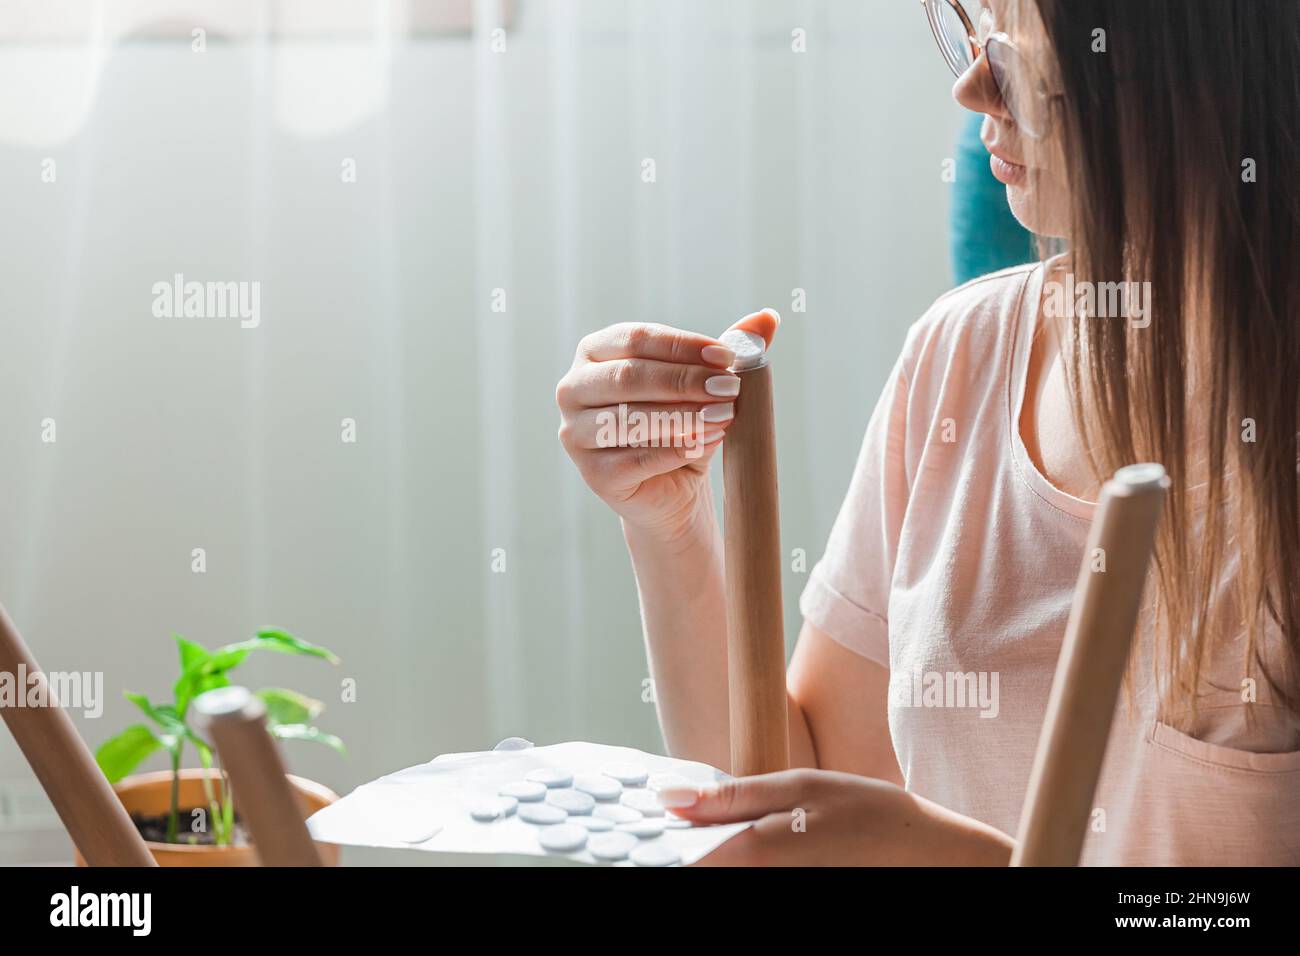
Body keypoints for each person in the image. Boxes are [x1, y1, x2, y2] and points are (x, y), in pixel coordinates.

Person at [554, 0, 1300, 865]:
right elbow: (810, 785)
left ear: (1186, 83)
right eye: (975, 37)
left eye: (1019, 65)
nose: (970, 87)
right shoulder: (960, 357)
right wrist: (669, 526)